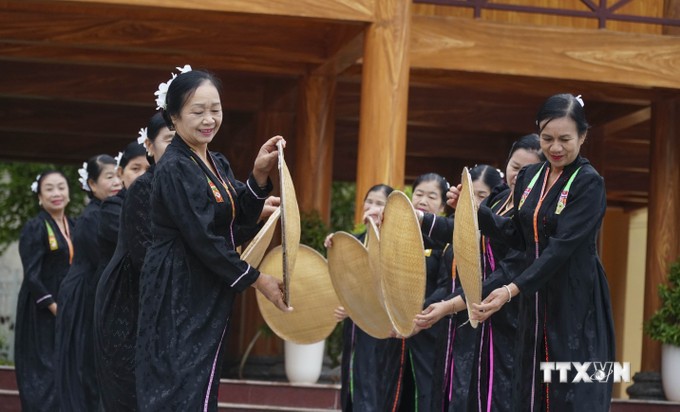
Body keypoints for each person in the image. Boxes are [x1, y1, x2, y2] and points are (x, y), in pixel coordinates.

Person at [135, 67, 290, 411]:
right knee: (178, 381)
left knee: (199, 380)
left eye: (215, 109)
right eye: (197, 111)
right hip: (178, 287)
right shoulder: (175, 167)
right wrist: (257, 279)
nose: (209, 119)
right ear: (173, 118)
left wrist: (259, 172)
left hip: (205, 284)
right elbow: (203, 238)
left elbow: (238, 217)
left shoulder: (214, 161)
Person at [471, 94, 615, 411]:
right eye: (547, 138)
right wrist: (476, 212)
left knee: (573, 393)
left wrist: (510, 289)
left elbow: (560, 249)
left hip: (576, 304)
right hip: (534, 302)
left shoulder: (590, 183)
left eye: (565, 139)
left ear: (583, 136)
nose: (556, 148)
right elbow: (519, 236)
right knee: (531, 389)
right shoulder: (529, 176)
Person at [416, 136, 544, 411]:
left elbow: (506, 273)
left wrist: (449, 305)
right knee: (465, 393)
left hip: (507, 316)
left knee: (498, 395)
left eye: (527, 170)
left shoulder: (534, 215)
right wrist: (421, 219)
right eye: (514, 166)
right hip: (475, 313)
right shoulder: (497, 201)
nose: (517, 175)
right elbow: (460, 232)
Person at [94, 114, 173, 411]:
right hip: (126, 301)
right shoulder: (118, 203)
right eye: (134, 168)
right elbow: (148, 254)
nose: (140, 174)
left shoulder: (170, 189)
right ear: (121, 173)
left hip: (157, 301)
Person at [412, 166, 501, 411]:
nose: (475, 202)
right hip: (447, 326)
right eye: (471, 194)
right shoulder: (453, 229)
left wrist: (444, 306)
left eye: (482, 196)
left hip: (477, 326)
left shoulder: (497, 238)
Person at [325, 184, 405, 412]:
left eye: (379, 203)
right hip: (355, 328)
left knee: (375, 389)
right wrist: (335, 247)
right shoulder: (353, 242)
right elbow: (343, 282)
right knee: (353, 386)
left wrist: (355, 305)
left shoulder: (396, 245)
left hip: (382, 328)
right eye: (368, 201)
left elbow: (391, 289)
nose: (371, 207)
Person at [55, 155, 122, 411]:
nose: (116, 182)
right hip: (85, 294)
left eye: (118, 175)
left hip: (93, 289)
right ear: (92, 185)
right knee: (84, 364)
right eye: (109, 177)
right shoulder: (95, 216)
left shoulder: (111, 210)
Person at [14, 171, 74, 411]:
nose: (56, 193)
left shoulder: (75, 224)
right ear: (39, 196)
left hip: (67, 306)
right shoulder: (35, 227)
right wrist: (54, 307)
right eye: (49, 189)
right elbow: (32, 274)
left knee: (65, 370)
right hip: (41, 310)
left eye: (61, 187)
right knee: (44, 371)